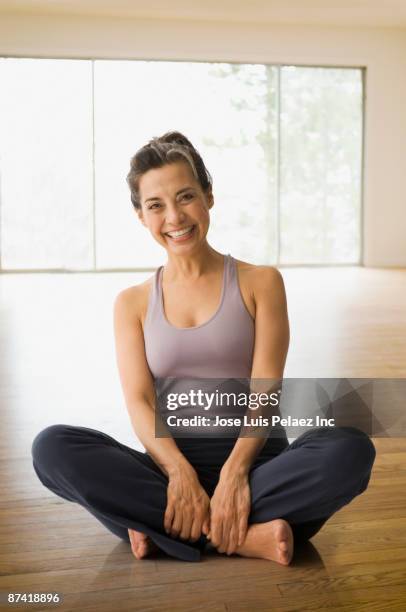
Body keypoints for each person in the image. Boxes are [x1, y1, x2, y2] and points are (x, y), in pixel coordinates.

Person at [31, 131, 376, 565]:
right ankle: (246, 536)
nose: (175, 216)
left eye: (186, 196)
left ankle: (167, 533)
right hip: (170, 475)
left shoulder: (260, 282)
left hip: (261, 470)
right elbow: (138, 401)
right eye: (156, 205)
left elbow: (265, 390)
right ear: (141, 215)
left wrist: (234, 475)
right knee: (52, 448)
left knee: (350, 450)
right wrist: (178, 472)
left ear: (209, 197)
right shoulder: (132, 303)